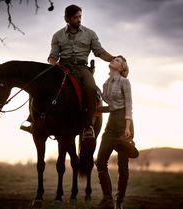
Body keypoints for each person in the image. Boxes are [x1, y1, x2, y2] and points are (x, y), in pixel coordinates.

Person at [47, 4, 115, 140]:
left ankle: (88, 126)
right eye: (75, 17)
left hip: (82, 68)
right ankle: (34, 120)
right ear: (67, 19)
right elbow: (53, 56)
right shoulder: (57, 36)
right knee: (45, 86)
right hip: (63, 68)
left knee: (90, 88)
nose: (79, 20)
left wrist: (115, 58)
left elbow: (100, 52)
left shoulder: (90, 34)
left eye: (80, 17)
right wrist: (53, 64)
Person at [95, 56, 138, 209]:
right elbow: (112, 106)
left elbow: (128, 105)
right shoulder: (105, 83)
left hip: (123, 124)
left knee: (122, 166)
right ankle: (108, 199)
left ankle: (119, 201)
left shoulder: (124, 82)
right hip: (111, 123)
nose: (114, 60)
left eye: (118, 60)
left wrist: (127, 127)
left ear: (121, 68)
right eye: (114, 59)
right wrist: (98, 109)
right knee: (100, 162)